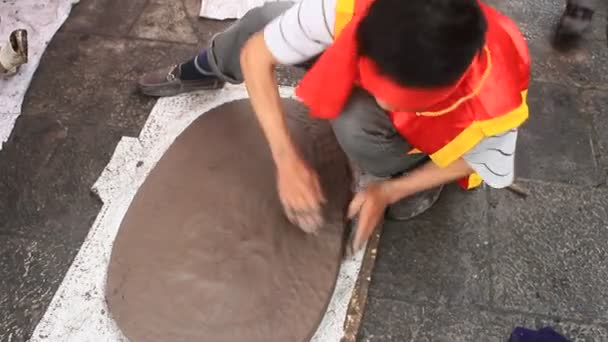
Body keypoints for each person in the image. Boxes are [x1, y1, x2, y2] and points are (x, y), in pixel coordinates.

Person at [139, 0, 530, 252]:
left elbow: (475, 160)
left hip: (431, 134)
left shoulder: (496, 89)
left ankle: (405, 170)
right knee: (264, 21)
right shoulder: (349, 9)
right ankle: (209, 67)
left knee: (356, 123)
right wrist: (286, 158)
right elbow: (258, 55)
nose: (386, 105)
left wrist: (388, 191)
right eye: (381, 89)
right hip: (360, 49)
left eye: (402, 100)